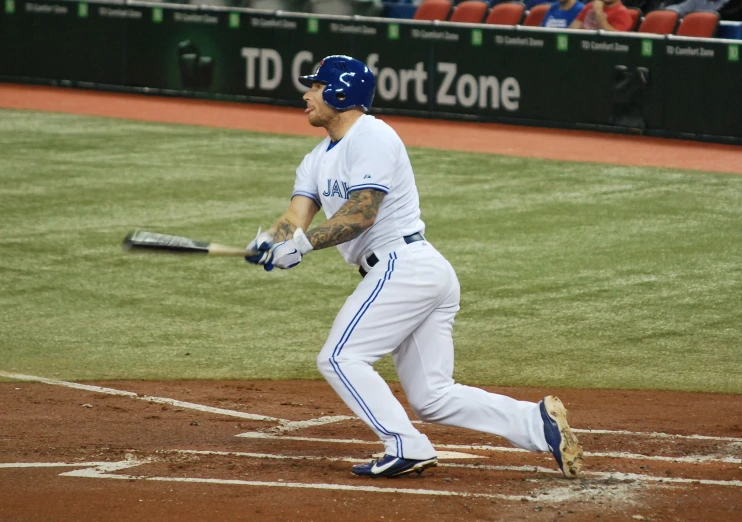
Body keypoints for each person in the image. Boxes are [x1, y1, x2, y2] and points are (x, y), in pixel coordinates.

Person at [244, 55, 584, 479]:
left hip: (402, 267)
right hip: (415, 272)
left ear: (340, 92)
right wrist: (269, 239)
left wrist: (301, 247)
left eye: (314, 87)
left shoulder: (372, 137)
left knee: (340, 358)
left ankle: (404, 445)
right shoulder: (316, 158)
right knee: (433, 396)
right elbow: (295, 218)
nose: (306, 94)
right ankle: (535, 423)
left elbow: (361, 214)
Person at [569, 0, 635, 30]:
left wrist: (599, 13)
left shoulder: (623, 14)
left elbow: (615, 39)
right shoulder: (590, 6)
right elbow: (572, 28)